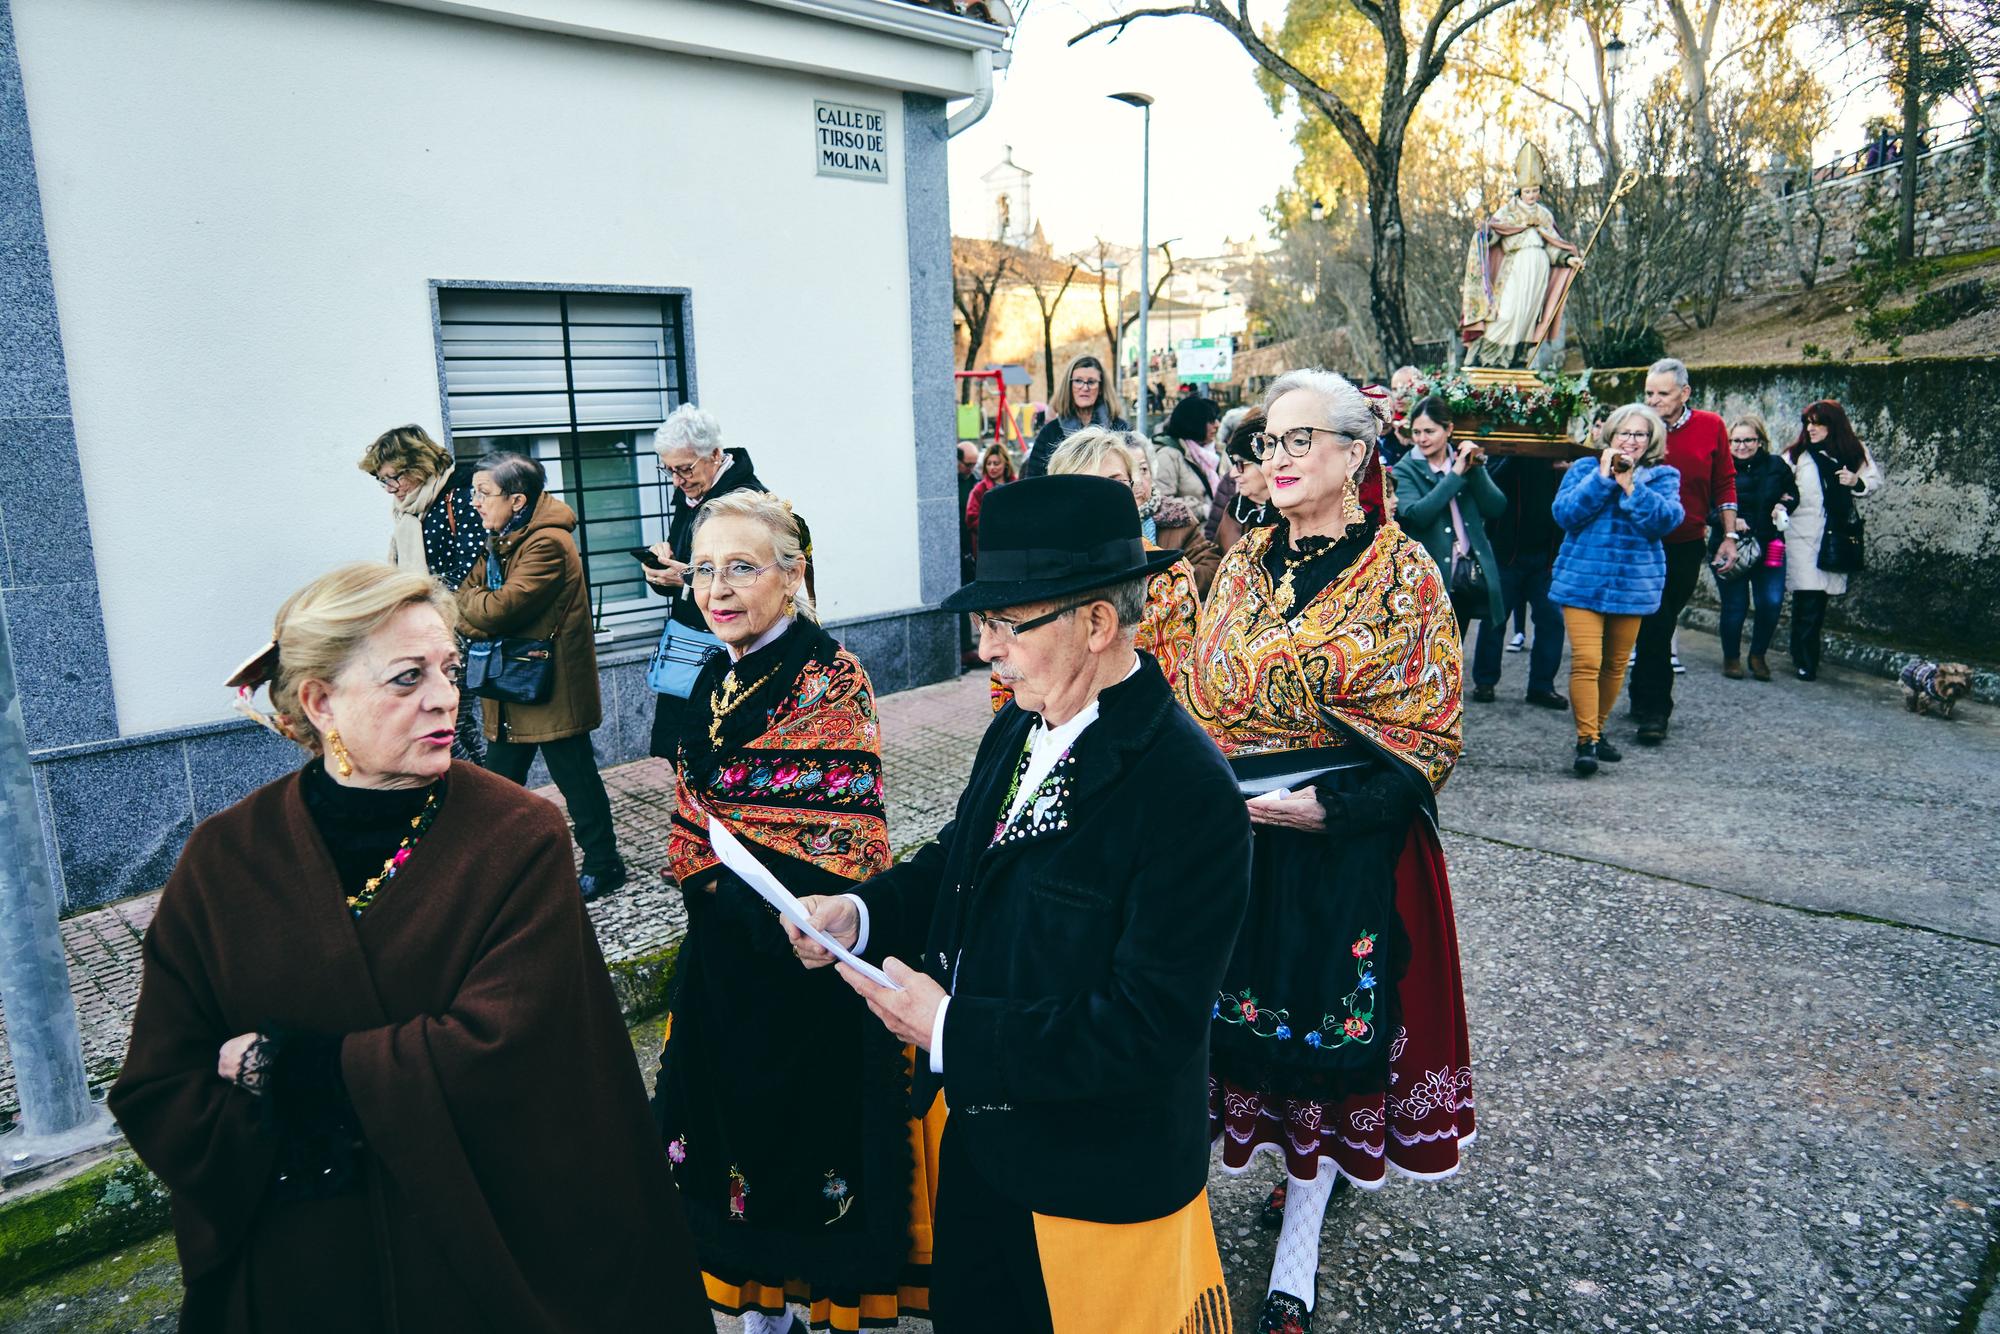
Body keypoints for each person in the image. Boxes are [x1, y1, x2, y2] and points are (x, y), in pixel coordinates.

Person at [109, 563, 708, 1334]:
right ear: (321, 702)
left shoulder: (517, 835)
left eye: (449, 669)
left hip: (477, 1260)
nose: (445, 697)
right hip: (302, 1266)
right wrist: (301, 1152)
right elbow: (161, 1083)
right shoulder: (225, 859)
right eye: (406, 678)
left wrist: (292, 1071)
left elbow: (513, 1053)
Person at [790, 475, 1251, 1334]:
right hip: (986, 1145)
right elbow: (958, 865)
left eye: (1007, 625)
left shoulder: (1187, 789)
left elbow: (1152, 1024)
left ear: (1098, 623)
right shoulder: (1019, 724)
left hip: (1094, 1179)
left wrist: (952, 1030)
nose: (986, 650)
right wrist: (860, 914)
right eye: (985, 625)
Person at [1179, 369, 1473, 1334]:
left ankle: (1294, 1265)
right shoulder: (1244, 564)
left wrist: (1332, 808)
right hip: (1237, 842)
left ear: (1356, 454)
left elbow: (1431, 738)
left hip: (1340, 847)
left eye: (1302, 439)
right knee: (1220, 1033)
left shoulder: (1406, 576)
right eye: (1270, 441)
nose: (1281, 457)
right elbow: (1198, 698)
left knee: (1317, 1055)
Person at [651, 490, 941, 1334]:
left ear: (793, 573)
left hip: (798, 962)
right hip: (719, 959)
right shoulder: (712, 671)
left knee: (800, 1143)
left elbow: (840, 829)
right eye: (704, 570)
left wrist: (724, 873)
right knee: (725, 1132)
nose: (718, 588)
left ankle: (813, 1309)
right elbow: (690, 812)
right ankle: (756, 1312)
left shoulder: (831, 676)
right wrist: (706, 872)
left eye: (741, 566)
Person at [458, 452, 627, 898]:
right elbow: (468, 598)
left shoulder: (547, 543)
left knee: (577, 782)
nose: (474, 502)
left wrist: (476, 615)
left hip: (551, 690)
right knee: (497, 788)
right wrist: (478, 613)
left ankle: (605, 863)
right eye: (473, 491)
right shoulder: (501, 538)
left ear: (517, 500)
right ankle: (495, 869)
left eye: (483, 493)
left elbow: (496, 609)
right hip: (510, 686)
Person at [989, 429, 1200, 710]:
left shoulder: (1169, 575)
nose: (1106, 499)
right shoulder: (1033, 574)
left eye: (1116, 483)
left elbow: (1177, 682)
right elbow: (1005, 684)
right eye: (1089, 486)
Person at [1549, 405, 1685, 777]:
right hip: (1582, 582)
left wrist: (1631, 487)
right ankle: (1586, 740)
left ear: (1651, 440)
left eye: (1640, 434)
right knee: (1587, 661)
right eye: (1624, 433)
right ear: (1610, 435)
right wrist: (1604, 479)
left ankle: (1598, 729)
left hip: (1634, 585)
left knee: (1614, 665)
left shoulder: (1663, 476)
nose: (1631, 441)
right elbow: (1564, 515)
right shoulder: (1582, 469)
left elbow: (1667, 522)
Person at [358, 423, 487, 760]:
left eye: (393, 477)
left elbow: (472, 565)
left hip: (459, 632)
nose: (389, 488)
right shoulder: (411, 509)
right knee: (463, 727)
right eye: (381, 480)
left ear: (418, 465)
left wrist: (432, 611)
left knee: (452, 726)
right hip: (430, 630)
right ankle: (494, 796)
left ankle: (479, 801)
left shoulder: (458, 494)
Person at [646, 404, 767, 760]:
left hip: (729, 648)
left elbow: (750, 577)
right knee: (681, 750)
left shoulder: (744, 501)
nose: (676, 480)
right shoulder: (692, 495)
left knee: (719, 752)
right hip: (691, 643)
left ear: (715, 454)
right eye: (668, 470)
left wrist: (684, 577)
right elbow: (692, 566)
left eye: (684, 469)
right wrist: (662, 571)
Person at [1631, 357, 1737, 744]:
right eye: (1648, 393)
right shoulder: (1639, 427)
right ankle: (1655, 709)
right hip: (1641, 542)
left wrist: (1729, 536)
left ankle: (1643, 696)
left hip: (1686, 543)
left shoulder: (1711, 426)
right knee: (1653, 624)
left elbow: (1724, 481)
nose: (1654, 400)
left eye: (1663, 393)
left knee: (1661, 621)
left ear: (1685, 393)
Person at [1391, 396, 1508, 638]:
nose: (1422, 439)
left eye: (1429, 431)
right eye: (1416, 432)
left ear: (1449, 430)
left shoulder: (1466, 463)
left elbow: (1496, 507)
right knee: (1429, 653)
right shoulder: (1405, 468)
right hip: (1428, 580)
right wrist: (1455, 474)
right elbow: (1417, 514)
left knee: (1456, 651)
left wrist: (1476, 468)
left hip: (1465, 577)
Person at [1784, 400, 1883, 681]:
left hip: (1835, 532)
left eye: (1818, 423)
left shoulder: (1852, 451)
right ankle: (1805, 659)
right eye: (1808, 423)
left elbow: (1872, 480)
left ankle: (1802, 654)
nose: (1811, 429)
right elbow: (1779, 480)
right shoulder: (1797, 454)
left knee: (1817, 599)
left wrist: (1855, 482)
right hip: (1802, 533)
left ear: (1833, 425)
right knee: (1808, 596)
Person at [1471, 454, 1569, 708]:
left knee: (1552, 620)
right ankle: (1485, 681)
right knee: (1495, 619)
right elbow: (1489, 480)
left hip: (1547, 556)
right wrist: (1513, 455)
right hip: (1508, 554)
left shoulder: (1562, 457)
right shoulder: (1506, 454)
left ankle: (1542, 686)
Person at [1715, 414, 1800, 681]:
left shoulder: (1776, 465)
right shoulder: (1719, 467)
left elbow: (1793, 494)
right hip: (1730, 546)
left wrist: (1783, 506)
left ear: (1760, 441)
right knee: (1735, 606)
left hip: (1769, 544)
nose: (1741, 446)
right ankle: (1731, 657)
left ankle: (1758, 655)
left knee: (1771, 603)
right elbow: (1705, 505)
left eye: (1748, 440)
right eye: (1736, 441)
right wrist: (1730, 520)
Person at [1022, 355, 1128, 478]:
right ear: (1069, 385)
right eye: (1078, 381)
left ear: (1100, 388)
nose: (1085, 388)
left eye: (1091, 382)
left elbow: (1131, 473)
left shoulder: (1120, 428)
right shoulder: (1050, 432)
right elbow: (1033, 480)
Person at [1149, 395, 1225, 524]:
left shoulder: (1215, 452)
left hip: (1215, 532)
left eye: (1217, 419)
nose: (1217, 425)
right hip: (1191, 537)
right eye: (1211, 420)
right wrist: (1204, 510)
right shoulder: (1168, 455)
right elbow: (1160, 503)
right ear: (1194, 423)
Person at [1210, 410, 1276, 553]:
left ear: (1265, 465)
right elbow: (1217, 557)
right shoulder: (1234, 509)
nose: (1233, 474)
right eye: (1233, 464)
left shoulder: (1293, 516)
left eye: (1241, 463)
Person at [964, 442, 1016, 551]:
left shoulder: (1016, 486)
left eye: (996, 463)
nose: (992, 467)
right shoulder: (979, 490)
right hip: (989, 548)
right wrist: (994, 526)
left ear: (1006, 464)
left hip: (1014, 545)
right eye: (989, 463)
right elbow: (971, 519)